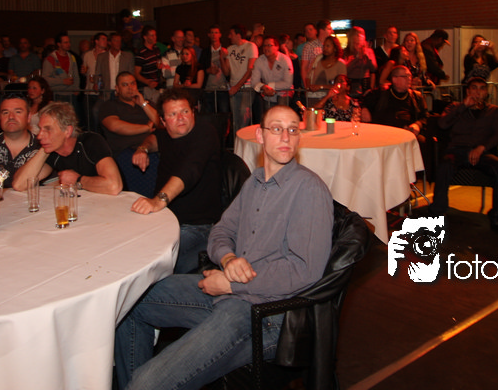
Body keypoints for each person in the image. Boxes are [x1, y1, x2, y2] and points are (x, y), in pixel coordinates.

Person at [114, 105, 333, 390]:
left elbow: (304, 271)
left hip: (265, 316)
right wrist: (228, 259)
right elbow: (221, 230)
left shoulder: (309, 189)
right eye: (277, 128)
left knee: (146, 383)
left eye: (292, 129)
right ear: (260, 136)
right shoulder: (255, 181)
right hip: (231, 295)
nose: (285, 137)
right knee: (132, 300)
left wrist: (231, 284)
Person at [129, 89, 223, 273]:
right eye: (173, 114)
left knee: (154, 268)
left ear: (193, 113)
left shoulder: (205, 133)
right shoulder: (166, 135)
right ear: (163, 121)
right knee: (129, 249)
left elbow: (188, 171)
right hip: (164, 219)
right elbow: (154, 138)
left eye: (185, 111)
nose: (180, 118)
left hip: (197, 226)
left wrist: (158, 200)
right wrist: (143, 149)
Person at [432, 77, 498, 240]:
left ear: (486, 92)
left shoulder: (494, 111)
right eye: (474, 88)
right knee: (445, 166)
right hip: (457, 150)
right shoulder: (455, 107)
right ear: (468, 91)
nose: (478, 92)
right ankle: (437, 215)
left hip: (482, 152)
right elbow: (442, 124)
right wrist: (463, 106)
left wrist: (482, 147)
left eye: (482, 88)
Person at [12, 102, 122, 195]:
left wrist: (77, 180)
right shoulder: (52, 151)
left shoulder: (91, 142)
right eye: (40, 129)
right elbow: (19, 184)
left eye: (48, 129)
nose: (39, 136)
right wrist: (44, 150)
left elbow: (114, 186)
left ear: (67, 131)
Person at [99, 72, 162, 195]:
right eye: (125, 85)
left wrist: (143, 104)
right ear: (117, 89)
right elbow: (115, 126)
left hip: (153, 147)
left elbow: (160, 122)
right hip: (125, 150)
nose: (130, 87)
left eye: (133, 83)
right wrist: (146, 128)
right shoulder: (109, 106)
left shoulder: (147, 104)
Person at [362, 66, 428, 143]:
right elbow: (362, 101)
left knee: (422, 141)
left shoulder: (416, 97)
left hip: (408, 135)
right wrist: (364, 108)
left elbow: (425, 116)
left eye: (410, 76)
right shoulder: (381, 94)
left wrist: (417, 125)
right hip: (384, 135)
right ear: (394, 79)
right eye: (405, 76)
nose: (409, 79)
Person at [224, 24, 257, 131]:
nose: (229, 36)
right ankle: (236, 139)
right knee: (235, 118)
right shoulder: (230, 49)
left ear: (238, 35)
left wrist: (237, 87)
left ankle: (244, 137)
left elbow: (250, 69)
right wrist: (221, 58)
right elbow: (226, 71)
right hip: (233, 86)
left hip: (247, 87)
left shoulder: (250, 46)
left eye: (231, 34)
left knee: (244, 114)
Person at [249, 36, 294, 110]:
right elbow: (254, 81)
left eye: (269, 45)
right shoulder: (259, 61)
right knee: (269, 114)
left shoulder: (285, 60)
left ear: (277, 47)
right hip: (267, 94)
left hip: (284, 92)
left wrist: (269, 86)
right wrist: (263, 87)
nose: (266, 48)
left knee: (280, 112)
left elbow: (288, 83)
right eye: (264, 45)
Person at [306, 35, 346, 106]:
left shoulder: (340, 64)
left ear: (335, 48)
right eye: (324, 46)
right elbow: (308, 76)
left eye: (328, 46)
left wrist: (321, 87)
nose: (325, 48)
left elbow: (341, 85)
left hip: (330, 98)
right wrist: (309, 86)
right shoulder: (318, 59)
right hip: (313, 96)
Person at [199, 25, 230, 115]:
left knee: (224, 114)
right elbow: (199, 68)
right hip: (209, 88)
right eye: (212, 33)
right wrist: (208, 70)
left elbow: (229, 71)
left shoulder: (226, 51)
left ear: (220, 34)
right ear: (208, 35)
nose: (214, 35)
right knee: (209, 115)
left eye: (216, 32)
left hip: (223, 88)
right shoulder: (205, 52)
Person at [43, 32, 79, 102]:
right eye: (65, 42)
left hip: (71, 93)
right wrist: (62, 81)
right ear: (59, 44)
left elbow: (76, 75)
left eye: (69, 42)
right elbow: (45, 79)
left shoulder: (72, 57)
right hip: (57, 93)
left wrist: (76, 88)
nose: (68, 44)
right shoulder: (51, 59)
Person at [343, 26, 377, 96]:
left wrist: (366, 56)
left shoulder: (369, 51)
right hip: (350, 81)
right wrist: (356, 59)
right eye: (357, 35)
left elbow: (374, 68)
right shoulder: (346, 52)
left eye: (361, 35)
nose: (359, 37)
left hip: (365, 81)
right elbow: (344, 70)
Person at [134, 25, 162, 103]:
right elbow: (136, 73)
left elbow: (158, 63)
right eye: (152, 35)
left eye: (155, 35)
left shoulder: (156, 50)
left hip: (157, 84)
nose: (154, 37)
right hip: (146, 87)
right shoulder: (141, 53)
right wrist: (148, 82)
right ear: (145, 37)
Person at [299, 20, 332, 86]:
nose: (332, 31)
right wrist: (306, 86)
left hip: (329, 82)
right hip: (314, 83)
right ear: (322, 31)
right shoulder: (309, 46)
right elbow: (304, 68)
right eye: (329, 29)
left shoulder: (332, 46)